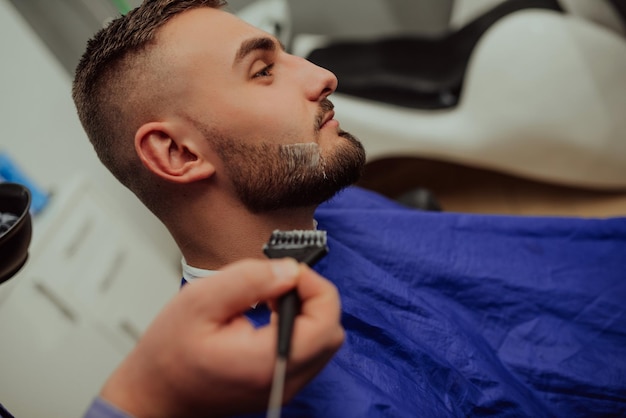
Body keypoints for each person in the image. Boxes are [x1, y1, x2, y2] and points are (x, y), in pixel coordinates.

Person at [72, 1, 626, 417]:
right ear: (178, 153)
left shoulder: (324, 213)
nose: (322, 76)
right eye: (263, 71)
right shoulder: (263, 387)